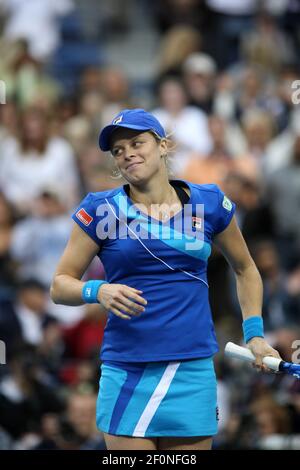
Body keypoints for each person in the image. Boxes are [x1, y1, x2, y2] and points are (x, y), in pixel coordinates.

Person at [50, 108, 281, 451]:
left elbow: (245, 269)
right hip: (127, 368)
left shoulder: (209, 202)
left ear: (163, 145)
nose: (127, 153)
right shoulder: (101, 210)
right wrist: (98, 290)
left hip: (191, 368)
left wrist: (255, 335)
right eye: (118, 150)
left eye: (137, 142)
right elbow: (59, 285)